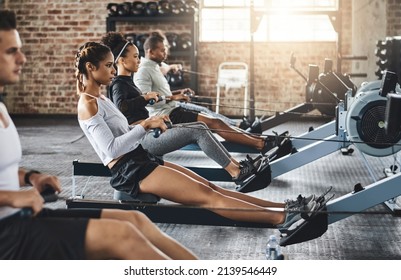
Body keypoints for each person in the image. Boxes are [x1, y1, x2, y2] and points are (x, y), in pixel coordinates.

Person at [0, 9, 197, 260]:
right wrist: (12, 198)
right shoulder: (88, 102)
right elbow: (113, 148)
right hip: (8, 235)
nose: (22, 58)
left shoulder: (2, 109)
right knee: (123, 237)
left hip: (21, 217)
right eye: (10, 51)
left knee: (134, 219)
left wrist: (32, 177)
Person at [75, 40, 319, 231]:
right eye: (108, 65)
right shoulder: (88, 104)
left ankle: (284, 206)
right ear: (90, 67)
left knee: (211, 187)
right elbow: (111, 151)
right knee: (208, 197)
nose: (112, 69)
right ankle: (282, 218)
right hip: (130, 171)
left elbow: (124, 132)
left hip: (140, 159)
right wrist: (145, 125)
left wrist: (151, 123)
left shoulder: (101, 98)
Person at [100, 31, 265, 186]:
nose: (138, 60)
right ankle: (236, 172)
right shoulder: (119, 84)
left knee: (202, 125)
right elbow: (122, 106)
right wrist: (145, 99)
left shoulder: (127, 81)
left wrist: (162, 100)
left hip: (148, 130)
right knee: (199, 130)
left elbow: (139, 103)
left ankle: (237, 165)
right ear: (122, 60)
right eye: (135, 56)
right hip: (140, 141)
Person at [134, 31, 273, 154]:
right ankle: (260, 144)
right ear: (150, 52)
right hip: (167, 115)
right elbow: (147, 100)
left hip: (173, 108)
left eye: (165, 50)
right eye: (162, 51)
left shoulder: (155, 67)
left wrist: (178, 92)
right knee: (215, 123)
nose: (165, 54)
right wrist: (173, 97)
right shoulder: (143, 71)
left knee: (216, 121)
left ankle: (257, 139)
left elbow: (160, 92)